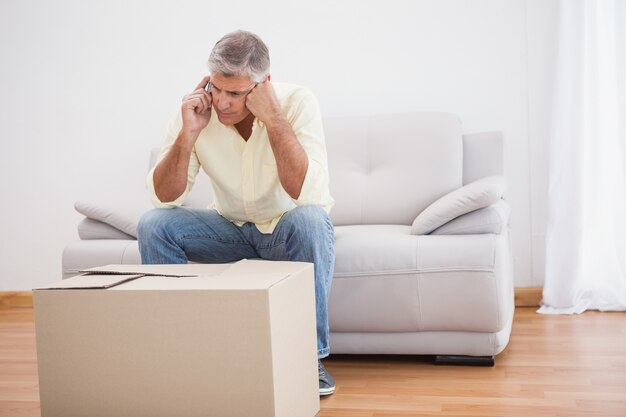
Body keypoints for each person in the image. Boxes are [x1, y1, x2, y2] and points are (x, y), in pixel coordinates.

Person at [137, 30, 336, 396]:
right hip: (229, 230)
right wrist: (188, 133)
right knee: (155, 224)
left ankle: (310, 359)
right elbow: (163, 198)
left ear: (262, 85)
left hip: (285, 230)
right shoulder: (198, 110)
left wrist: (274, 118)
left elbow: (305, 192)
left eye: (235, 93)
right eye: (216, 88)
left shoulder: (296, 102)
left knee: (311, 218)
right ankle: (180, 353)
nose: (222, 103)